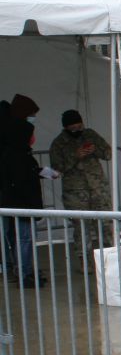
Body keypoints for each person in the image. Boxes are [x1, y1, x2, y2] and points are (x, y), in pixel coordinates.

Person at [0, 94, 58, 287]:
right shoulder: (16, 152)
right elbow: (22, 177)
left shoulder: (11, 151)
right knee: (24, 238)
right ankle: (24, 273)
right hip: (21, 203)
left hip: (10, 200)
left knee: (13, 236)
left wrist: (38, 172)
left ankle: (17, 269)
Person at [48, 110, 112, 270]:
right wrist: (75, 155)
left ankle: (111, 258)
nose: (78, 130)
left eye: (80, 126)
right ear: (66, 127)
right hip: (75, 193)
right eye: (74, 128)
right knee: (82, 228)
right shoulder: (59, 143)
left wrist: (95, 150)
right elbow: (57, 169)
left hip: (98, 188)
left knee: (106, 224)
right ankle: (86, 262)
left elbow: (108, 153)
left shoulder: (90, 134)